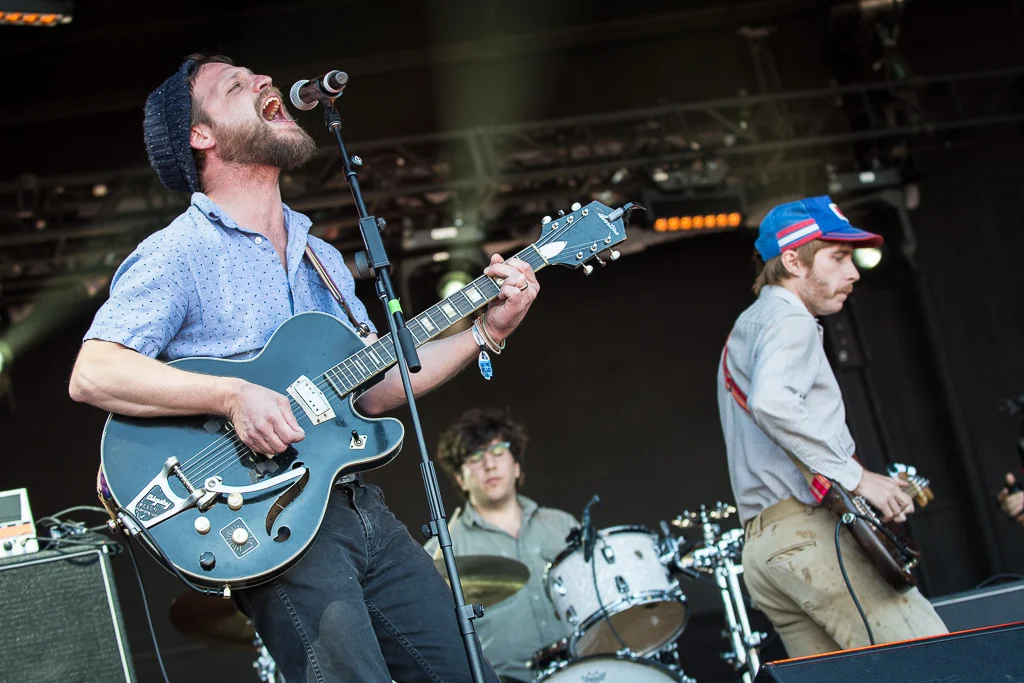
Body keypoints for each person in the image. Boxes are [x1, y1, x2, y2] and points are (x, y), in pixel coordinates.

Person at [68, 54, 542, 683]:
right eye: (236, 85)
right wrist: (234, 395)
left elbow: (374, 388)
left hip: (355, 506)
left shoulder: (322, 257)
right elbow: (93, 372)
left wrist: (484, 329)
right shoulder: (179, 252)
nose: (265, 81)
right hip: (269, 521)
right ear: (200, 135)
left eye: (256, 74)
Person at [716, 196, 947, 657]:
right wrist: (858, 477)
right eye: (838, 257)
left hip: (765, 552)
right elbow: (772, 401)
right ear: (792, 261)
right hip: (810, 540)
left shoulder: (749, 324)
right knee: (935, 663)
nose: (854, 272)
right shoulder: (789, 319)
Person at [424, 409, 577, 683]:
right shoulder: (442, 551)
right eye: (475, 457)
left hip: (585, 670)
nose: (489, 465)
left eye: (497, 452)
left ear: (517, 465)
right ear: (460, 478)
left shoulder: (562, 525)